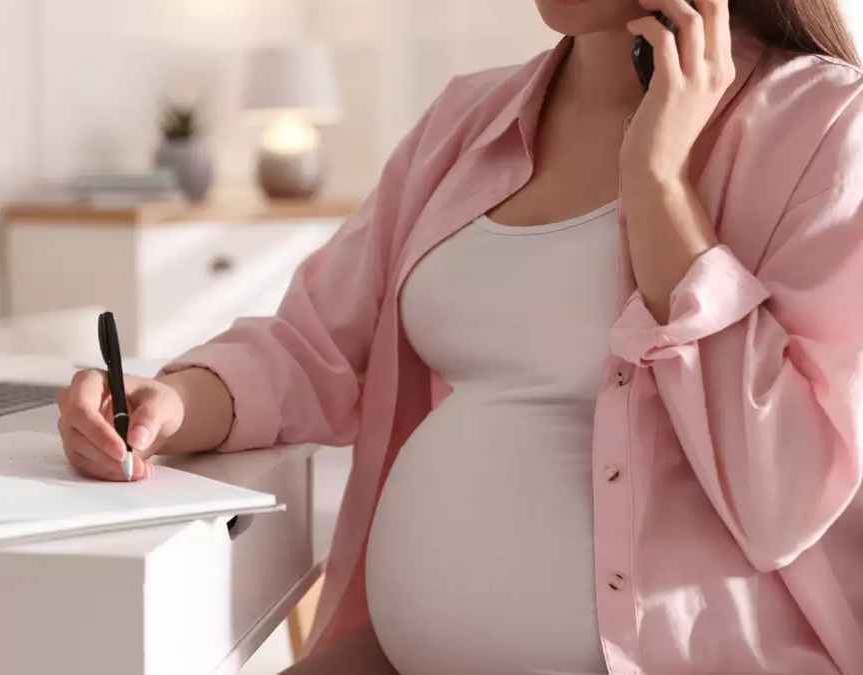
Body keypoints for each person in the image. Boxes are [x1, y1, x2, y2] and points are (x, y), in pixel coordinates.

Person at [57, 0, 863, 672]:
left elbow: (786, 492)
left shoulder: (825, 126)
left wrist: (658, 184)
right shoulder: (464, 121)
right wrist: (171, 401)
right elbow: (315, 344)